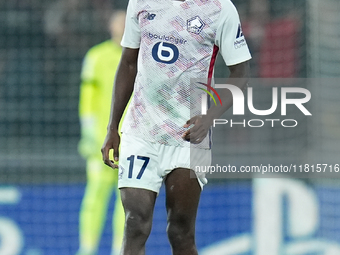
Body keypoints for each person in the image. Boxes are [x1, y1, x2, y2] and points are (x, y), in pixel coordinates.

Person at [101, 0, 251, 254]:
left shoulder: (220, 9)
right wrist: (112, 126)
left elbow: (241, 72)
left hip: (188, 136)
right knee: (135, 223)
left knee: (180, 231)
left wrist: (210, 116)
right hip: (141, 130)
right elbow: (128, 62)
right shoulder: (140, 2)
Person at [76, 11, 126, 255]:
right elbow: (87, 98)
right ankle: (87, 248)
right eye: (118, 20)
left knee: (126, 200)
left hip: (131, 141)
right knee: (95, 196)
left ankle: (120, 249)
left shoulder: (139, 57)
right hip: (99, 141)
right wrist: (88, 133)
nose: (122, 26)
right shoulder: (96, 56)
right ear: (110, 25)